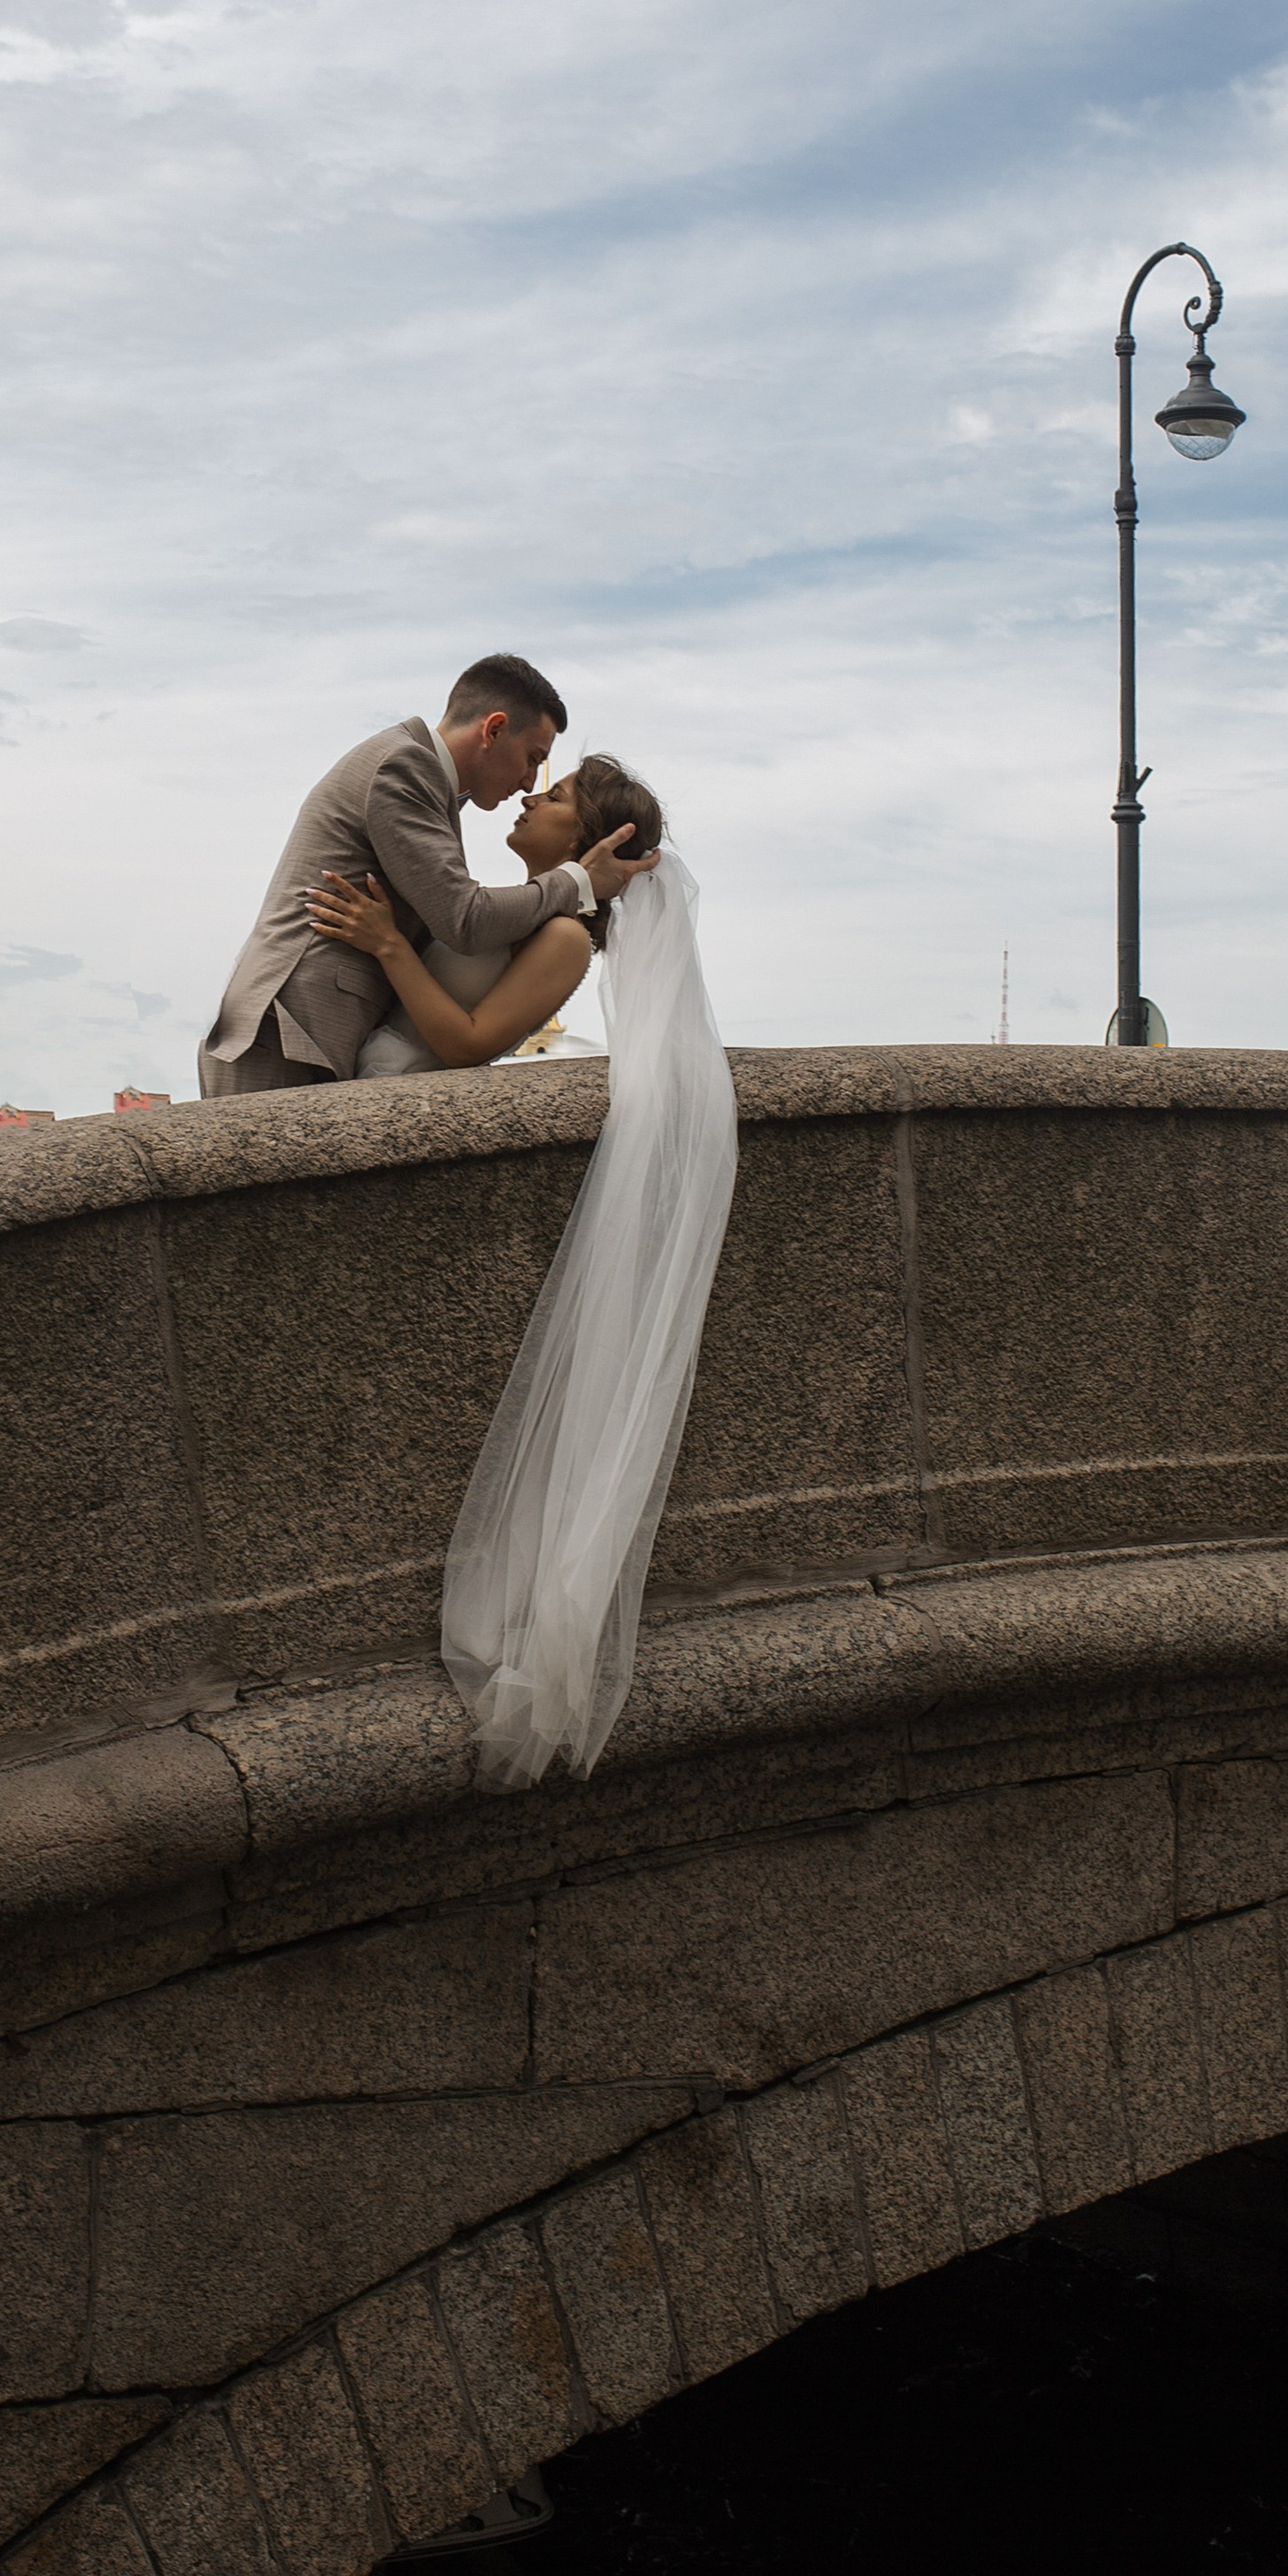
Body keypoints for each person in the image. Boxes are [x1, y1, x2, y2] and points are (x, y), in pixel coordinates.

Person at [318, 753, 738, 1795]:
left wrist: (380, 944)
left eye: (549, 799)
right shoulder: (524, 911)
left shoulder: (559, 934)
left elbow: (462, 1043)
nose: (526, 801)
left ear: (592, 846)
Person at [197, 655, 656, 1100]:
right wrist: (577, 880)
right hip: (293, 1029)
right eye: (532, 758)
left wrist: (390, 944)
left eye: (547, 783)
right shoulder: (406, 767)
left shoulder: (423, 779)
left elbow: (460, 933)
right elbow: (465, 919)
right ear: (493, 729)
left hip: (322, 1040)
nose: (527, 786)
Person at [305, 752, 660, 1075]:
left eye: (553, 798)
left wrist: (388, 944)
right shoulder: (502, 912)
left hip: (403, 1094)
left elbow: (468, 1047)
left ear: (584, 834)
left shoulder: (566, 936)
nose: (529, 798)